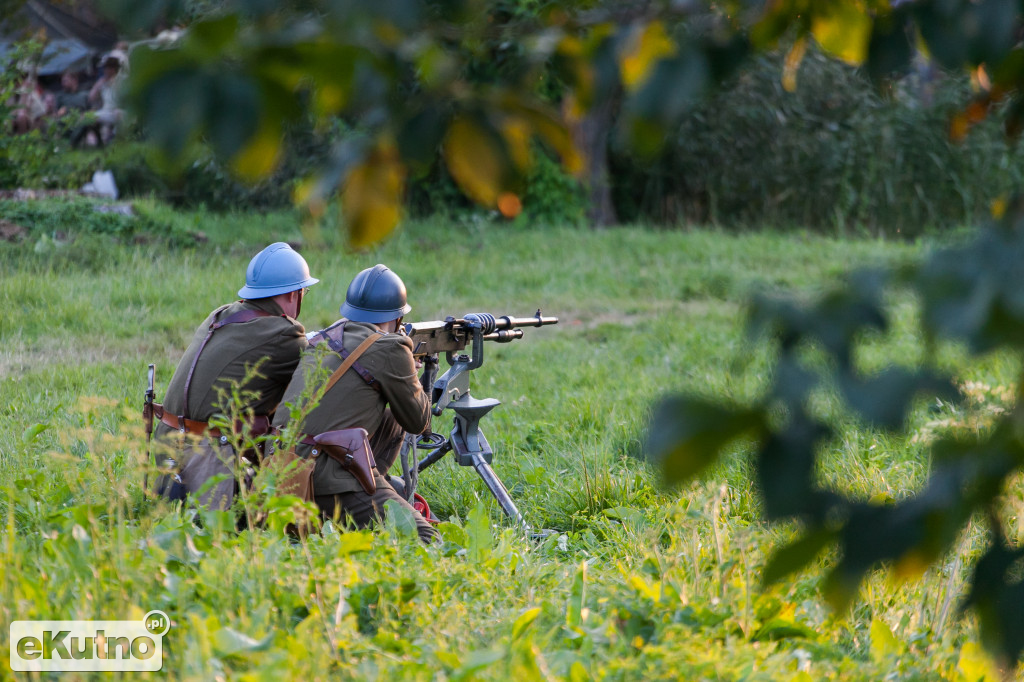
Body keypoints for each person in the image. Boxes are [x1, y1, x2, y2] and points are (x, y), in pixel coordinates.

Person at [271, 264, 438, 543]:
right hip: (326, 477)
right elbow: (419, 421)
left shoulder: (322, 338)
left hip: (283, 471)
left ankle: (371, 490)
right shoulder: (392, 348)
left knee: (392, 418)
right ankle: (359, 501)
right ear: (397, 319)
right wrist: (412, 377)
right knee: (426, 539)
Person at [152, 242, 318, 510]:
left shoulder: (219, 315)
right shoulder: (285, 333)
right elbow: (319, 379)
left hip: (166, 449)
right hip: (208, 462)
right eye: (303, 292)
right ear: (294, 294)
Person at [88, 50, 126, 144]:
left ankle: (117, 139)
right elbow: (91, 98)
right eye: (106, 68)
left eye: (109, 68)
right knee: (88, 117)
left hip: (120, 111)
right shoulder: (103, 81)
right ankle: (98, 142)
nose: (106, 70)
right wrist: (99, 85)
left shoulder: (122, 80)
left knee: (118, 114)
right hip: (107, 111)